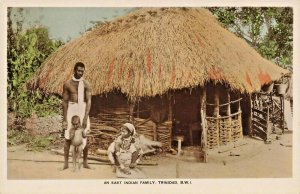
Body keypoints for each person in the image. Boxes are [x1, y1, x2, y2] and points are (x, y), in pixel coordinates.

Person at [60, 62, 93, 170]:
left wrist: (85, 117)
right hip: (71, 109)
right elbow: (64, 102)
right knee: (68, 137)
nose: (80, 73)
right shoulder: (68, 84)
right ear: (74, 70)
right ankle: (65, 163)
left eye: (82, 71)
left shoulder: (86, 84)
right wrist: (65, 119)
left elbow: (88, 101)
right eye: (79, 71)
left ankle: (85, 162)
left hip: (82, 110)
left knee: (85, 137)